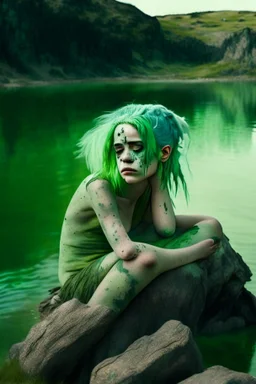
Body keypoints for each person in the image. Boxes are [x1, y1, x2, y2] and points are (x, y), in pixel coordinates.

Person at [58, 104, 223, 314]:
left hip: (118, 258)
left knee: (211, 224)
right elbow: (126, 251)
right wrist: (193, 253)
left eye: (136, 148)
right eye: (119, 149)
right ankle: (180, 257)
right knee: (144, 258)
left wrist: (158, 180)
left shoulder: (144, 180)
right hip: (83, 278)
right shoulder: (99, 186)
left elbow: (165, 229)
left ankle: (162, 262)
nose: (125, 157)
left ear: (164, 153)